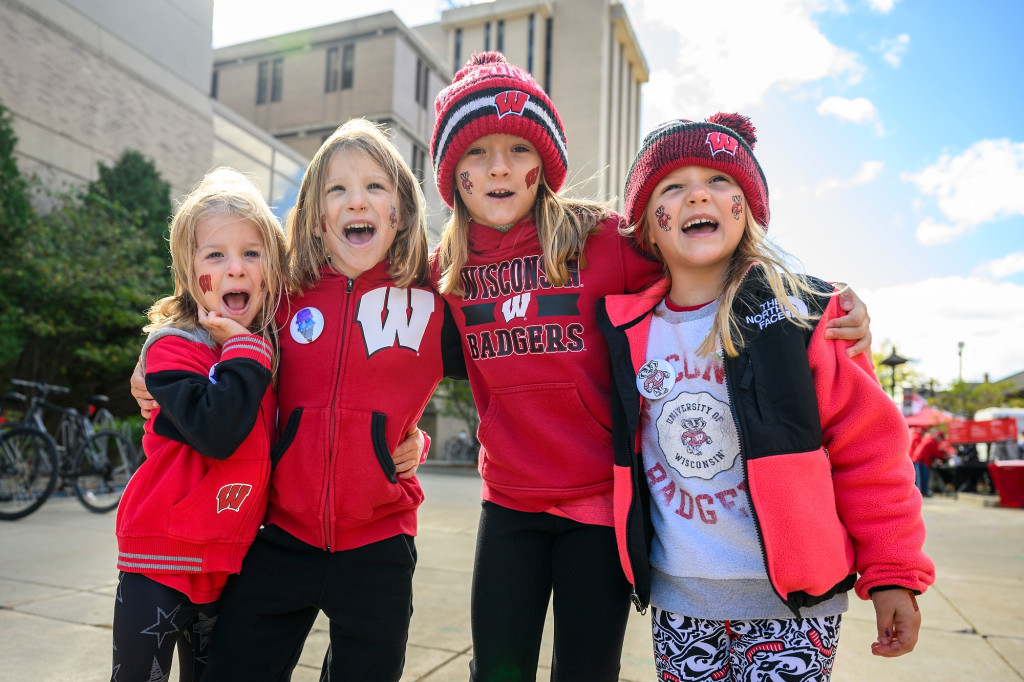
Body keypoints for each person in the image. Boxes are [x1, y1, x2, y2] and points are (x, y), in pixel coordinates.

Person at [428, 52, 873, 681]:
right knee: (495, 671)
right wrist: (395, 437)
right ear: (452, 174)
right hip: (509, 506)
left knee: (586, 671)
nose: (498, 166)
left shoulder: (603, 242)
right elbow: (388, 352)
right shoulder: (441, 270)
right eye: (475, 152)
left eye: (518, 149)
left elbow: (708, 260)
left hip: (599, 510)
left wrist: (825, 303)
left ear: (545, 166)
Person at [597, 113, 935, 681]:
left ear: (747, 210)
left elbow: (870, 451)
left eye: (720, 181)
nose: (698, 193)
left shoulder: (807, 317)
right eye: (672, 187)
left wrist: (894, 571)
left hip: (794, 605)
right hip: (682, 600)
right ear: (647, 230)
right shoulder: (625, 328)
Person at [194, 119, 464, 681]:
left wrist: (408, 435)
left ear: (400, 211)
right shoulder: (280, 293)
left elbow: (508, 364)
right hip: (279, 534)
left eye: (374, 186)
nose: (355, 200)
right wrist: (154, 359)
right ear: (316, 217)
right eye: (336, 189)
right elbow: (199, 304)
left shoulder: (436, 298)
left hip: (379, 544)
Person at [112, 168, 287, 682]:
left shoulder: (266, 349)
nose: (236, 268)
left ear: (271, 267)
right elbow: (218, 429)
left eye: (252, 253)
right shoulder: (174, 350)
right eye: (215, 254)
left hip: (227, 561)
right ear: (189, 273)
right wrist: (245, 351)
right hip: (159, 557)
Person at [912, 428, 947, 496]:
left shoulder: (929, 439)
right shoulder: (931, 441)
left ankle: (922, 492)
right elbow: (936, 453)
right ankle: (922, 493)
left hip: (920, 459)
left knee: (921, 478)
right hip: (921, 460)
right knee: (922, 478)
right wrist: (944, 457)